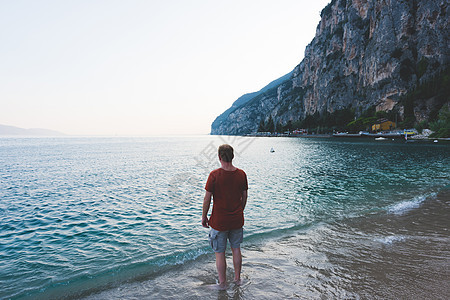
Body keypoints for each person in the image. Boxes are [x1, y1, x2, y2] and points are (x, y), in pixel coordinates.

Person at [202, 144, 248, 289]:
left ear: (220, 157)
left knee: (220, 252)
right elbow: (244, 196)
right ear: (232, 156)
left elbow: (207, 199)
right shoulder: (241, 174)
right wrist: (240, 210)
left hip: (219, 221)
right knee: (236, 248)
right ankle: (237, 279)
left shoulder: (214, 175)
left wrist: (204, 217)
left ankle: (222, 283)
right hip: (236, 220)